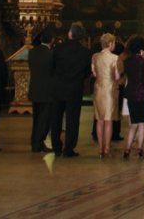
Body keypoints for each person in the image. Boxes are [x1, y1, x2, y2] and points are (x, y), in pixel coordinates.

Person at [51, 22, 92, 158]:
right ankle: (68, 149)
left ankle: (56, 147)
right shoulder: (85, 53)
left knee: (56, 118)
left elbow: (52, 67)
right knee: (72, 120)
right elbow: (87, 73)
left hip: (58, 88)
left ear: (70, 34)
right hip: (75, 89)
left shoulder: (58, 49)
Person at [122, 36, 144, 158]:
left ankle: (127, 149)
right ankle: (140, 149)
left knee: (133, 124)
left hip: (131, 96)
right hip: (143, 96)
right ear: (141, 49)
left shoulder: (127, 62)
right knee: (142, 124)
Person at [91, 33, 120, 158]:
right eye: (113, 43)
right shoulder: (115, 58)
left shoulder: (95, 56)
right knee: (109, 120)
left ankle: (99, 148)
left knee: (99, 120)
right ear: (110, 44)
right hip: (110, 91)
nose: (114, 45)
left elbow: (94, 73)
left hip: (98, 90)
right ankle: (107, 148)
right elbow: (118, 76)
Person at [28, 32, 54, 152]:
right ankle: (38, 143)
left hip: (34, 89)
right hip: (47, 91)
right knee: (44, 120)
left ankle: (34, 141)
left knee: (36, 118)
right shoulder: (51, 54)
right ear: (51, 40)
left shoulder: (32, 52)